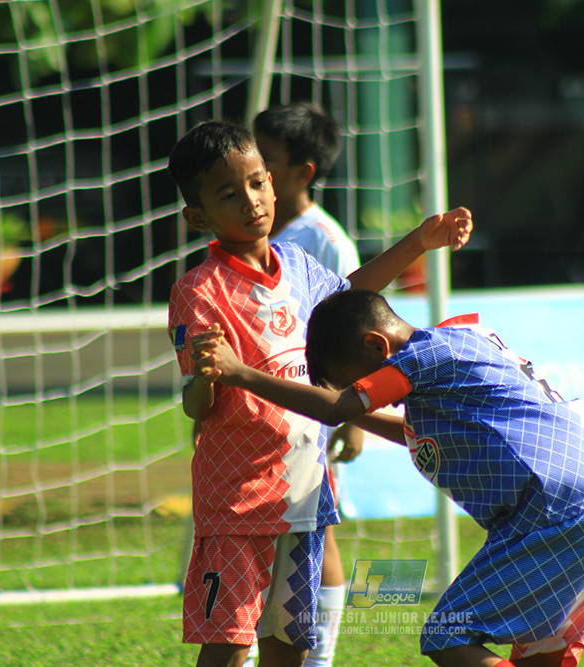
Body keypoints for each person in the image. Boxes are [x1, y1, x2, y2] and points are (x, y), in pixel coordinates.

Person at [193, 289, 584, 667]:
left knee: (447, 635)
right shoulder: (458, 340)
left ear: (377, 346)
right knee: (539, 655)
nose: (362, 396)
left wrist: (240, 373)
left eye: (359, 384)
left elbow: (336, 408)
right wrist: (363, 416)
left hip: (555, 510)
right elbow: (409, 430)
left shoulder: (422, 357)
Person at [166, 120, 471, 667]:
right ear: (198, 215)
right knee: (230, 645)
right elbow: (196, 406)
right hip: (237, 500)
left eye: (257, 183)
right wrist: (211, 377)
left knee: (289, 644)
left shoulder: (301, 267)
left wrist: (419, 242)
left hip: (304, 493)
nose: (251, 201)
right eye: (228, 194)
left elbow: (353, 292)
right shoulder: (199, 290)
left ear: (274, 184)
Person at [251, 101, 361, 667]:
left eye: (266, 162)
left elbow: (352, 326)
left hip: (310, 414)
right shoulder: (254, 229)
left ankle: (317, 656)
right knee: (282, 532)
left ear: (303, 173)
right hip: (265, 417)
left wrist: (355, 418)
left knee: (316, 531)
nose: (256, 174)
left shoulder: (325, 241)